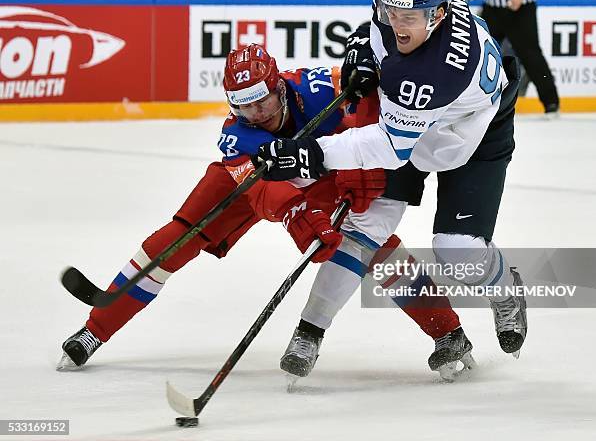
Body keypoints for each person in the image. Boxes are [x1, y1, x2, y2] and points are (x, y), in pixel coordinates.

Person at [58, 44, 470, 381]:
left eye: (261, 101)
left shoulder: (319, 87)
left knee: (372, 245)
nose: (256, 114)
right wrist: (300, 219)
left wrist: (364, 70)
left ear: (279, 86)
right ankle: (95, 329)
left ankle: (448, 330)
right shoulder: (237, 136)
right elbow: (265, 192)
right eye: (242, 107)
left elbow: (370, 101)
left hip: (319, 170)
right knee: (176, 237)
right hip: (256, 182)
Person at [258, 0, 528, 358]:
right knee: (364, 227)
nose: (397, 22)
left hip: (473, 133)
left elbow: (389, 145)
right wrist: (361, 48)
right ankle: (310, 331)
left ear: (438, 14)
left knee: (456, 249)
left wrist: (308, 153)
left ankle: (506, 292)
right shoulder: (412, 1)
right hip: (420, 117)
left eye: (410, 17)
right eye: (392, 11)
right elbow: (377, 30)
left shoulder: (437, 70)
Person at [461, 0, 559, 118]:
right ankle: (469, 103)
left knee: (531, 55)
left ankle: (551, 102)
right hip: (493, 9)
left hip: (521, 10)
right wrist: (460, 2)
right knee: (479, 55)